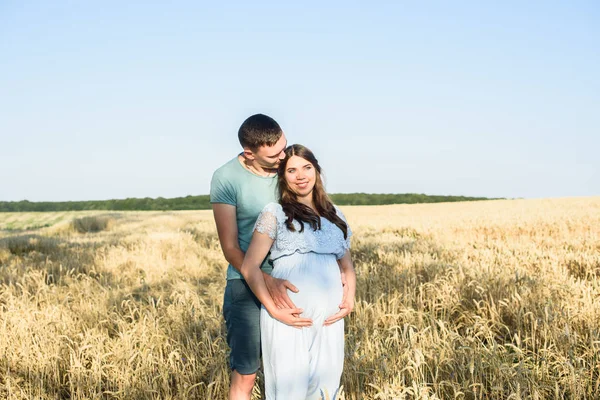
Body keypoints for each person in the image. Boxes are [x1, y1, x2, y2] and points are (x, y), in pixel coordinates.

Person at [239, 144, 357, 400]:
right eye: (292, 170)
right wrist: (273, 308)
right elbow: (250, 268)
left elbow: (346, 265)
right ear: (283, 177)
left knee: (325, 390)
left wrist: (350, 298)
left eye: (307, 167)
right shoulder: (275, 213)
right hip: (288, 318)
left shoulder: (336, 215)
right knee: (289, 391)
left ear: (316, 170)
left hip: (329, 319)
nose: (301, 175)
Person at [210, 114, 301, 400]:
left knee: (293, 369)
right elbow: (230, 247)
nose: (283, 156)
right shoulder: (225, 178)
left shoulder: (288, 167)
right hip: (244, 282)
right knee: (246, 374)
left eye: (284, 147)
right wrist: (265, 279)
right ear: (249, 153)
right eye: (274, 154)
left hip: (293, 278)